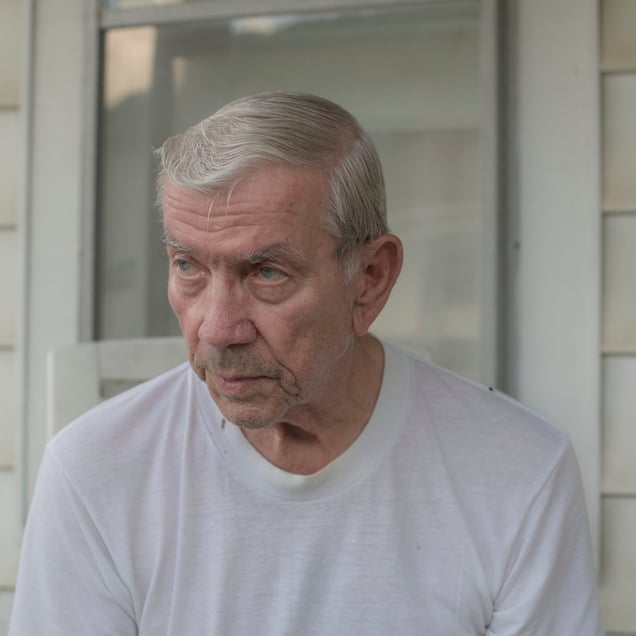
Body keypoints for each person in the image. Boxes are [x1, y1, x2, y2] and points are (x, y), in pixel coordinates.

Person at [10, 91, 602, 635]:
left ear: (370, 278)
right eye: (188, 266)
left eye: (267, 273)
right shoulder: (96, 471)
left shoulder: (518, 474)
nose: (216, 328)